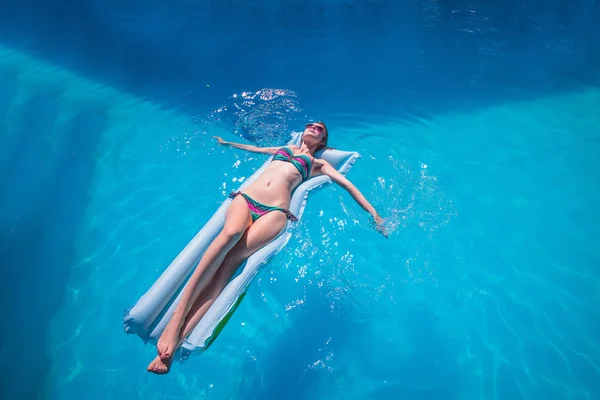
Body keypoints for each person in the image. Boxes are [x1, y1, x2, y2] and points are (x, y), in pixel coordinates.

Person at [147, 121, 387, 374]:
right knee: (230, 234)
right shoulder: (285, 147)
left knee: (229, 265)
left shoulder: (319, 164)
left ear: (324, 142)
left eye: (320, 128)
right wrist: (227, 143)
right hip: (247, 199)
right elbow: (255, 149)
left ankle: (177, 341)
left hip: (275, 212)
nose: (314, 127)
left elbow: (348, 185)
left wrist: (374, 214)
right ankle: (177, 318)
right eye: (311, 124)